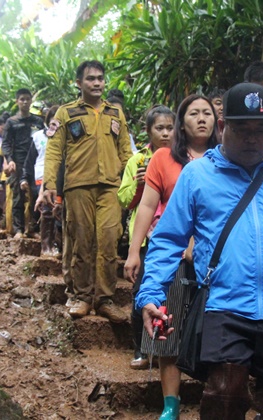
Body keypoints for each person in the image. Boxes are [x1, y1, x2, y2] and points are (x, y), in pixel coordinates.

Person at [137, 83, 263, 419]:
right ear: (222, 127)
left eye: (260, 130)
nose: (251, 138)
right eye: (241, 128)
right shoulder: (198, 175)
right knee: (223, 399)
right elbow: (169, 239)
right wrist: (150, 295)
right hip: (224, 306)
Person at [125, 96, 217, 418]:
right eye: (194, 113)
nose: (202, 119)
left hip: (212, 260)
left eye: (208, 113)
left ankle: (217, 395)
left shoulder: (225, 160)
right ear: (182, 121)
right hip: (171, 255)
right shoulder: (163, 157)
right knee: (168, 322)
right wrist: (135, 251)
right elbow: (148, 206)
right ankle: (171, 404)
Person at [42, 60, 133, 323]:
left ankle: (104, 299)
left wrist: (134, 185)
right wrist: (49, 184)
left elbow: (126, 152)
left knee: (107, 241)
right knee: (80, 240)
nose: (96, 83)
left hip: (110, 187)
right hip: (78, 186)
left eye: (100, 78)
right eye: (91, 79)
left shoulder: (115, 112)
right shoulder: (65, 113)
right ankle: (80, 296)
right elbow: (54, 151)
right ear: (78, 83)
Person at [118, 105, 177, 372]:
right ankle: (141, 348)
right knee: (141, 292)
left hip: (174, 237)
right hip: (145, 238)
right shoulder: (137, 160)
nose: (165, 133)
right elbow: (125, 200)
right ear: (148, 131)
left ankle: (165, 348)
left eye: (169, 128)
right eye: (159, 128)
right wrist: (140, 183)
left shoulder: (181, 158)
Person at [0, 88, 44, 238]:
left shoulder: (37, 122)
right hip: (18, 162)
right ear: (17, 101)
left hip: (35, 162)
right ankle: (18, 229)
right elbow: (6, 144)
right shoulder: (12, 122)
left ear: (31, 101)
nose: (24, 102)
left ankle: (34, 228)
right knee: (18, 195)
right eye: (22, 99)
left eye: (27, 99)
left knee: (36, 193)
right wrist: (9, 160)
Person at [28, 105, 61, 254]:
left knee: (59, 210)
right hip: (42, 175)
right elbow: (30, 160)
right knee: (47, 208)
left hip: (61, 176)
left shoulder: (66, 138)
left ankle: (57, 245)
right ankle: (45, 246)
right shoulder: (38, 137)